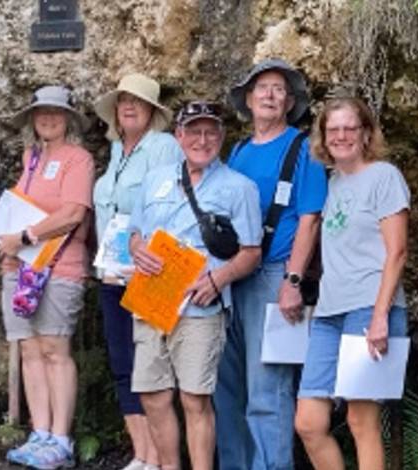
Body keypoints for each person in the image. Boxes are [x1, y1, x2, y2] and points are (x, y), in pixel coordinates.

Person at [127, 101, 262, 470]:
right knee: (152, 394)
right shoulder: (155, 179)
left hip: (200, 306)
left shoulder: (240, 188)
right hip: (152, 299)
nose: (202, 140)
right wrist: (137, 248)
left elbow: (251, 252)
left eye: (210, 132)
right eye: (194, 131)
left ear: (221, 136)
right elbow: (135, 232)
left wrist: (218, 279)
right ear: (179, 135)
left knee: (195, 399)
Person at [214, 58, 325, 470]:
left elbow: (310, 219)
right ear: (248, 99)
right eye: (262, 88)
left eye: (279, 89)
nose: (270, 95)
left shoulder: (303, 149)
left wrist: (292, 280)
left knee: (268, 390)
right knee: (227, 389)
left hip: (274, 275)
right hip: (233, 277)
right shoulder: (238, 151)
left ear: (290, 102)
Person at [293, 97, 409, 470]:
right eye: (333, 130)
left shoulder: (384, 176)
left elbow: (397, 252)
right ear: (323, 137)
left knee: (361, 421)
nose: (341, 136)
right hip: (329, 310)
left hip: (369, 307)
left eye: (349, 128)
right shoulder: (334, 182)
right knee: (309, 423)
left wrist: (380, 316)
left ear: (366, 134)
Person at [0, 85, 95, 470]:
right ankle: (39, 433)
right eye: (41, 112)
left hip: (59, 266)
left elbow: (73, 214)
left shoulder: (78, 159)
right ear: (33, 119)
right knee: (30, 350)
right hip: (20, 268)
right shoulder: (31, 157)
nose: (48, 118)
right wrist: (6, 241)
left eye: (56, 112)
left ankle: (60, 438)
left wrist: (25, 236)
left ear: (68, 118)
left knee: (55, 350)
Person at [90, 73, 182, 470]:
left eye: (138, 101)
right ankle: (142, 454)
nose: (129, 106)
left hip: (148, 272)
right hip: (111, 273)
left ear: (152, 110)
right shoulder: (116, 150)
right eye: (123, 100)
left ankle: (162, 459)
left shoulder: (163, 147)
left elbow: (171, 206)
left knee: (152, 369)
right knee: (123, 365)